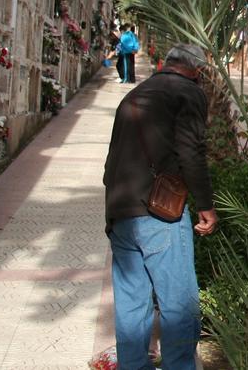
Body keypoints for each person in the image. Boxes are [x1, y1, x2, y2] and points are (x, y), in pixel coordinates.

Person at [103, 44, 217, 369]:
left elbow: (113, 157)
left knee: (130, 305)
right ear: (196, 70)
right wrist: (206, 205)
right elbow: (191, 153)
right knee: (179, 304)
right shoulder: (187, 92)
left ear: (165, 63)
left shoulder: (136, 94)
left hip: (120, 210)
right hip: (159, 214)